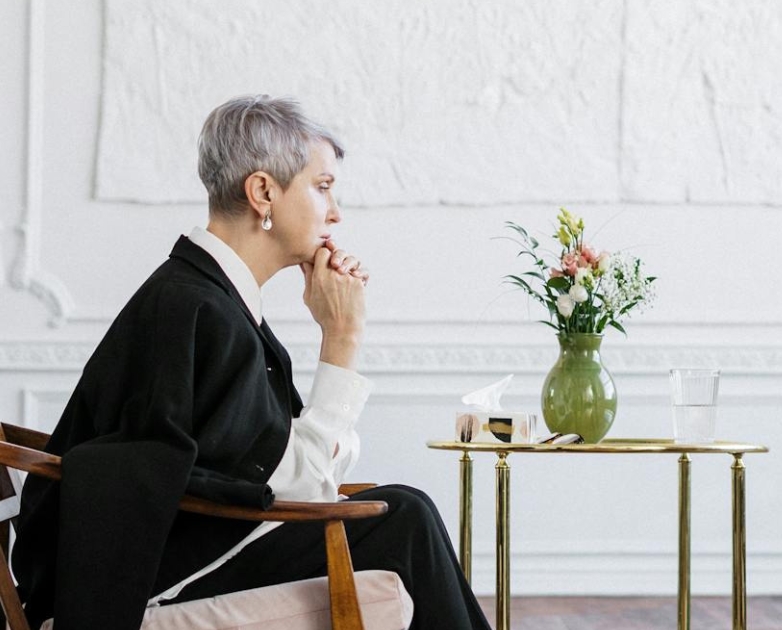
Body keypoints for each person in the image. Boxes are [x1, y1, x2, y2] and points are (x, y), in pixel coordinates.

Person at [11, 96, 490, 630]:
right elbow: (300, 486)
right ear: (263, 191)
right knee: (406, 517)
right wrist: (342, 338)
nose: (336, 213)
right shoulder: (202, 308)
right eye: (323, 187)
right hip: (147, 572)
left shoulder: (206, 297)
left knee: (403, 512)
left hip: (178, 544)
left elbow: (286, 472)